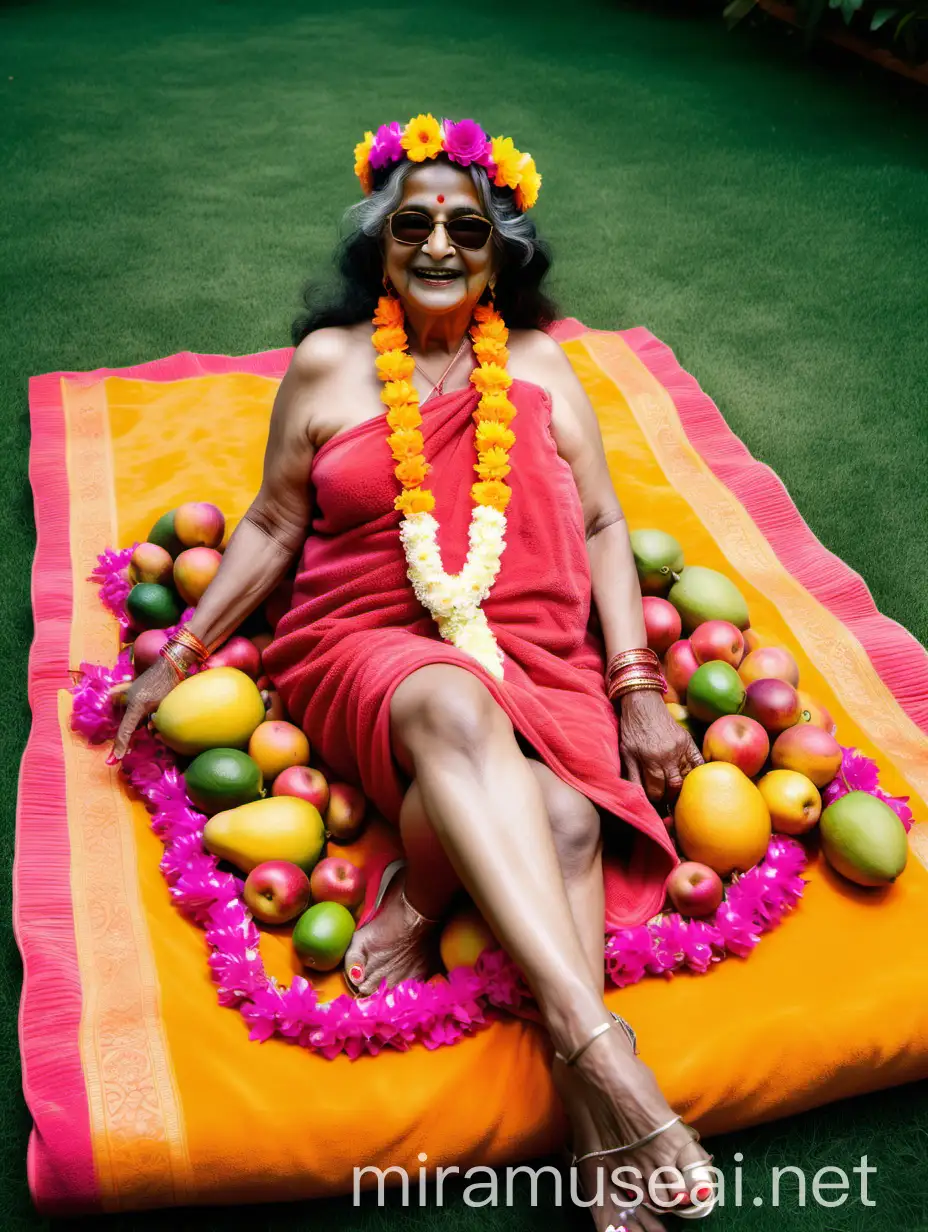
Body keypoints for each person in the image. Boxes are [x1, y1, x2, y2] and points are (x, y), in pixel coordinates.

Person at [111, 114, 716, 1229]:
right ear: (378, 244)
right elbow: (274, 518)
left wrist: (632, 678)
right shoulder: (334, 361)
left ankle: (585, 1130)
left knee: (569, 822)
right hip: (362, 639)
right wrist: (184, 651)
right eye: (414, 224)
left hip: (531, 640)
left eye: (468, 229)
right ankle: (611, 1061)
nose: (441, 244)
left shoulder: (537, 362)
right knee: (449, 694)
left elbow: (596, 519)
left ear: (504, 253)